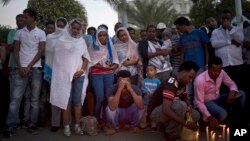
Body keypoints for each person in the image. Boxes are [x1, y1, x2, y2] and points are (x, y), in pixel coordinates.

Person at [3, 8, 46, 139]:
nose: (24, 19)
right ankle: (11, 126)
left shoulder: (41, 33)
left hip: (36, 69)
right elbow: (16, 50)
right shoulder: (19, 33)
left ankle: (31, 124)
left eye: (26, 17)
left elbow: (41, 51)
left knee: (34, 99)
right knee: (15, 99)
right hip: (19, 69)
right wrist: (21, 66)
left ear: (33, 18)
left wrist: (28, 66)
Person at [49, 18, 90, 137]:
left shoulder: (81, 41)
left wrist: (81, 70)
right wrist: (65, 72)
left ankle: (77, 126)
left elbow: (86, 58)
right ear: (69, 27)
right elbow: (57, 59)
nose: (76, 30)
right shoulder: (60, 41)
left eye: (78, 28)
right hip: (63, 77)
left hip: (79, 76)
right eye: (74, 27)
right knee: (65, 102)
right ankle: (66, 126)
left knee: (77, 102)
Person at [147, 61, 200, 141]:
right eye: (190, 77)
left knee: (195, 115)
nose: (191, 81)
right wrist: (185, 123)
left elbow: (184, 97)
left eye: (192, 78)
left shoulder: (182, 83)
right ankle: (171, 134)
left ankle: (166, 126)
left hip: (168, 109)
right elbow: (166, 109)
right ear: (183, 72)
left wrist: (189, 105)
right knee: (181, 106)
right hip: (155, 112)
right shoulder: (171, 83)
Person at [194, 56, 246, 128]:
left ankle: (235, 123)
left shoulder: (222, 73)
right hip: (206, 104)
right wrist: (209, 117)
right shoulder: (200, 80)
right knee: (223, 114)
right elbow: (199, 102)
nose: (217, 73)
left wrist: (232, 92)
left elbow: (232, 84)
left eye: (219, 70)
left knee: (241, 94)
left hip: (218, 100)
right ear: (208, 68)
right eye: (214, 71)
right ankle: (209, 121)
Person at [88, 27, 119, 126]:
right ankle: (97, 118)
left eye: (104, 35)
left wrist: (110, 67)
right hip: (96, 75)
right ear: (96, 36)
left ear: (107, 36)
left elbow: (116, 63)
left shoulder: (110, 47)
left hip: (109, 75)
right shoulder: (92, 47)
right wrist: (104, 67)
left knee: (107, 97)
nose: (102, 37)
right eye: (100, 35)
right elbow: (90, 62)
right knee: (100, 97)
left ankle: (105, 119)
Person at [211, 10, 245, 93]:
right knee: (225, 88)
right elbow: (214, 44)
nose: (225, 20)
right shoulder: (215, 31)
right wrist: (229, 42)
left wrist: (230, 28)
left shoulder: (237, 28)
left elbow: (240, 39)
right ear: (220, 19)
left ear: (231, 19)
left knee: (238, 86)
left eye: (227, 18)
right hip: (223, 65)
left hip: (237, 63)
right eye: (223, 18)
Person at [44, 17, 68, 132]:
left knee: (65, 97)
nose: (60, 27)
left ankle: (66, 122)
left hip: (66, 71)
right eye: (58, 25)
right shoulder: (49, 37)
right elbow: (48, 54)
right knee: (54, 97)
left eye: (62, 25)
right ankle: (55, 123)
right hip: (53, 70)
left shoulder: (69, 38)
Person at [105, 70, 144, 135]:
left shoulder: (135, 88)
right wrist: (119, 89)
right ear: (117, 81)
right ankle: (115, 127)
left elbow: (141, 106)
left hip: (129, 112)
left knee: (140, 106)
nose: (124, 83)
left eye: (127, 81)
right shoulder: (111, 88)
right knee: (109, 109)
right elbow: (112, 107)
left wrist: (130, 90)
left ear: (130, 81)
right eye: (121, 80)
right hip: (118, 113)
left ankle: (133, 127)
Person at [139, 65, 161, 129]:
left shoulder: (158, 81)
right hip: (146, 101)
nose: (149, 72)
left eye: (151, 70)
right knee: (144, 113)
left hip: (154, 101)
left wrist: (154, 94)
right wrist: (146, 92)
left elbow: (159, 89)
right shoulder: (145, 81)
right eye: (148, 71)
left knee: (153, 112)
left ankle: (153, 124)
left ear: (155, 71)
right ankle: (143, 123)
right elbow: (142, 88)